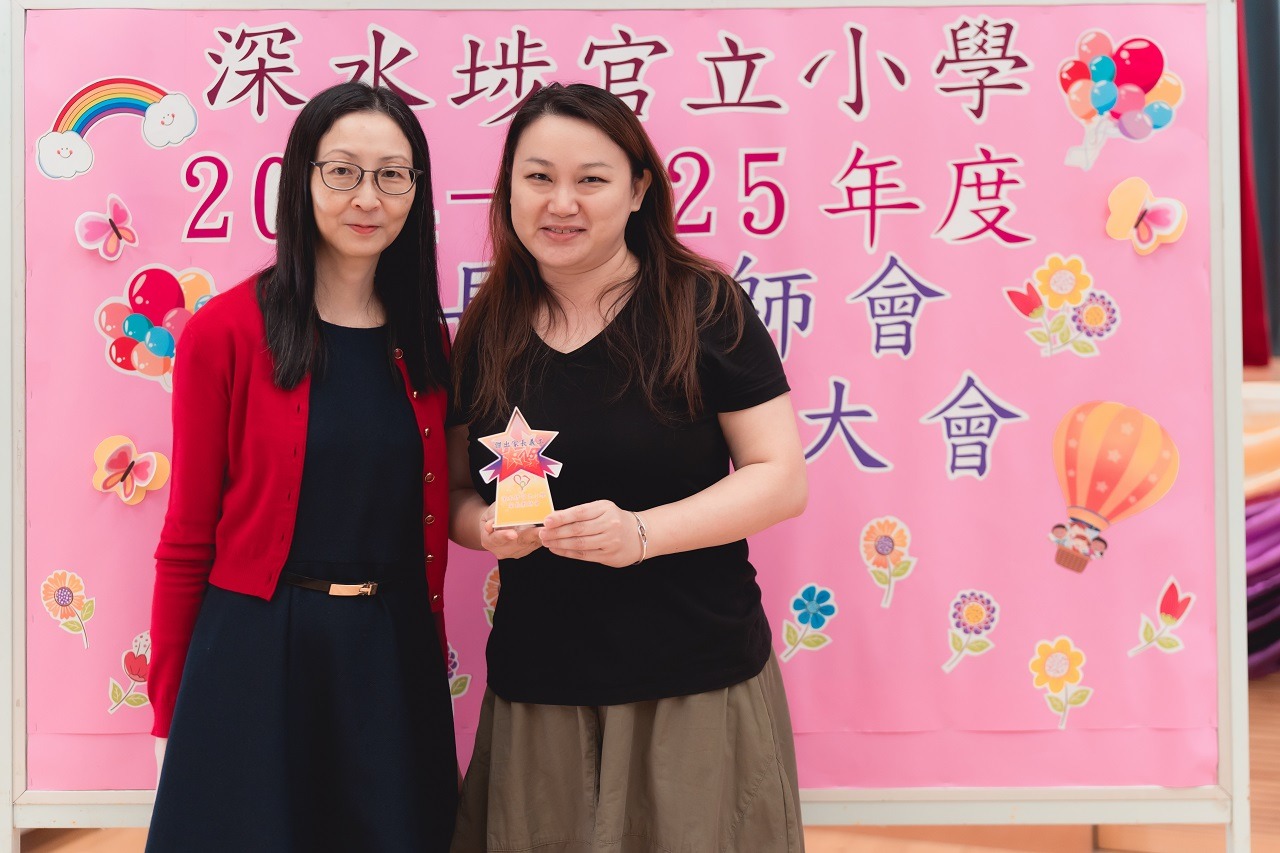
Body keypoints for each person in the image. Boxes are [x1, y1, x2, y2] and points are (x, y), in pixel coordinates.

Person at [447, 83, 808, 853]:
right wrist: (487, 528)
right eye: (538, 177)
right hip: (541, 687)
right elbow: (451, 494)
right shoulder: (485, 328)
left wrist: (641, 533)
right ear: (509, 186)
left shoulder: (702, 305)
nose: (561, 203)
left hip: (694, 680)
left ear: (639, 188)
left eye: (591, 179)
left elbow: (780, 475)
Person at [147, 82, 457, 852]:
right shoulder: (225, 330)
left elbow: (436, 508)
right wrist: (169, 711)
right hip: (255, 654)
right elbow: (186, 536)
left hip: (391, 655)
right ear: (301, 179)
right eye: (343, 170)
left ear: (416, 190)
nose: (368, 197)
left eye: (393, 174)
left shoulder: (426, 339)